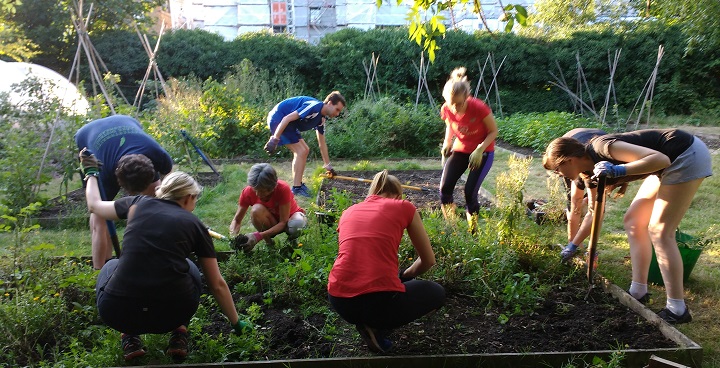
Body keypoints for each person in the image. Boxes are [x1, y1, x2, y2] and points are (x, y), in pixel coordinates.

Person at [80, 152, 250, 361]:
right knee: (190, 267)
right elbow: (217, 285)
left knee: (111, 265)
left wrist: (91, 173)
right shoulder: (195, 225)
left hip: (117, 312)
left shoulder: (136, 204)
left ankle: (130, 336)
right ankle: (179, 333)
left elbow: (94, 206)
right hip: (172, 313)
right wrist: (236, 323)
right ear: (188, 198)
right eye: (195, 199)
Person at [543, 129, 712, 324]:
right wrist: (573, 245)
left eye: (557, 169)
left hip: (684, 153)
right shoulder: (588, 174)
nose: (558, 174)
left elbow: (661, 159)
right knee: (633, 221)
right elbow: (593, 213)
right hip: (664, 164)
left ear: (569, 160)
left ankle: (677, 309)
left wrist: (618, 170)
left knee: (660, 231)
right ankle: (638, 291)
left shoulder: (601, 147)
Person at [327, 170, 446, 353]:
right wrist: (404, 275)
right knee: (437, 293)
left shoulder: (348, 211)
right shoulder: (404, 206)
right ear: (398, 196)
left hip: (339, 300)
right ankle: (377, 326)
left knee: (374, 297)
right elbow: (428, 261)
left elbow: (354, 255)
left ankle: (369, 322)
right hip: (377, 302)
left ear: (373, 192)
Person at [75, 115, 173, 269]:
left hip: (127, 122)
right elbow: (94, 206)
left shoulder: (157, 154)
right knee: (99, 220)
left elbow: (170, 186)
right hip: (89, 137)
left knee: (156, 201)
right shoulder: (103, 173)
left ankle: (150, 249)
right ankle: (102, 269)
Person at [438, 67, 498, 232]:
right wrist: (447, 142)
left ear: (466, 97)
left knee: (469, 191)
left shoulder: (479, 108)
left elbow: (494, 131)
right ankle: (453, 228)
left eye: (459, 103)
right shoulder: (446, 108)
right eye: (452, 104)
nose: (455, 108)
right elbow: (450, 124)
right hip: (461, 150)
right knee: (445, 189)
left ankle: (473, 232)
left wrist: (479, 149)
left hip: (482, 152)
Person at [262, 91, 346, 197]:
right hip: (279, 118)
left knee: (304, 150)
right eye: (337, 109)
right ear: (329, 103)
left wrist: (328, 166)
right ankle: (296, 188)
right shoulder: (314, 106)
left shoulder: (321, 119)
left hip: (289, 124)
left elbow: (322, 143)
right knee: (301, 151)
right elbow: (287, 118)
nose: (337, 114)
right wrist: (274, 139)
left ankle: (298, 185)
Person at [229, 163, 307, 251]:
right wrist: (233, 237)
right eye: (255, 190)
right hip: (271, 222)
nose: (258, 194)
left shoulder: (282, 189)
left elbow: (283, 222)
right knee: (255, 210)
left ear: (272, 187)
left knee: (297, 224)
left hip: (289, 221)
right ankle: (269, 244)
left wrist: (258, 236)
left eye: (262, 191)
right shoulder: (247, 192)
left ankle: (292, 241)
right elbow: (237, 220)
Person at [556, 128, 608, 255]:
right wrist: (572, 245)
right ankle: (573, 243)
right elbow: (574, 207)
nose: (558, 175)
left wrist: (592, 249)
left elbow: (596, 210)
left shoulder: (597, 167)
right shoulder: (571, 169)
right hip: (574, 142)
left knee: (597, 206)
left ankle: (591, 249)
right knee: (575, 204)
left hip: (598, 151)